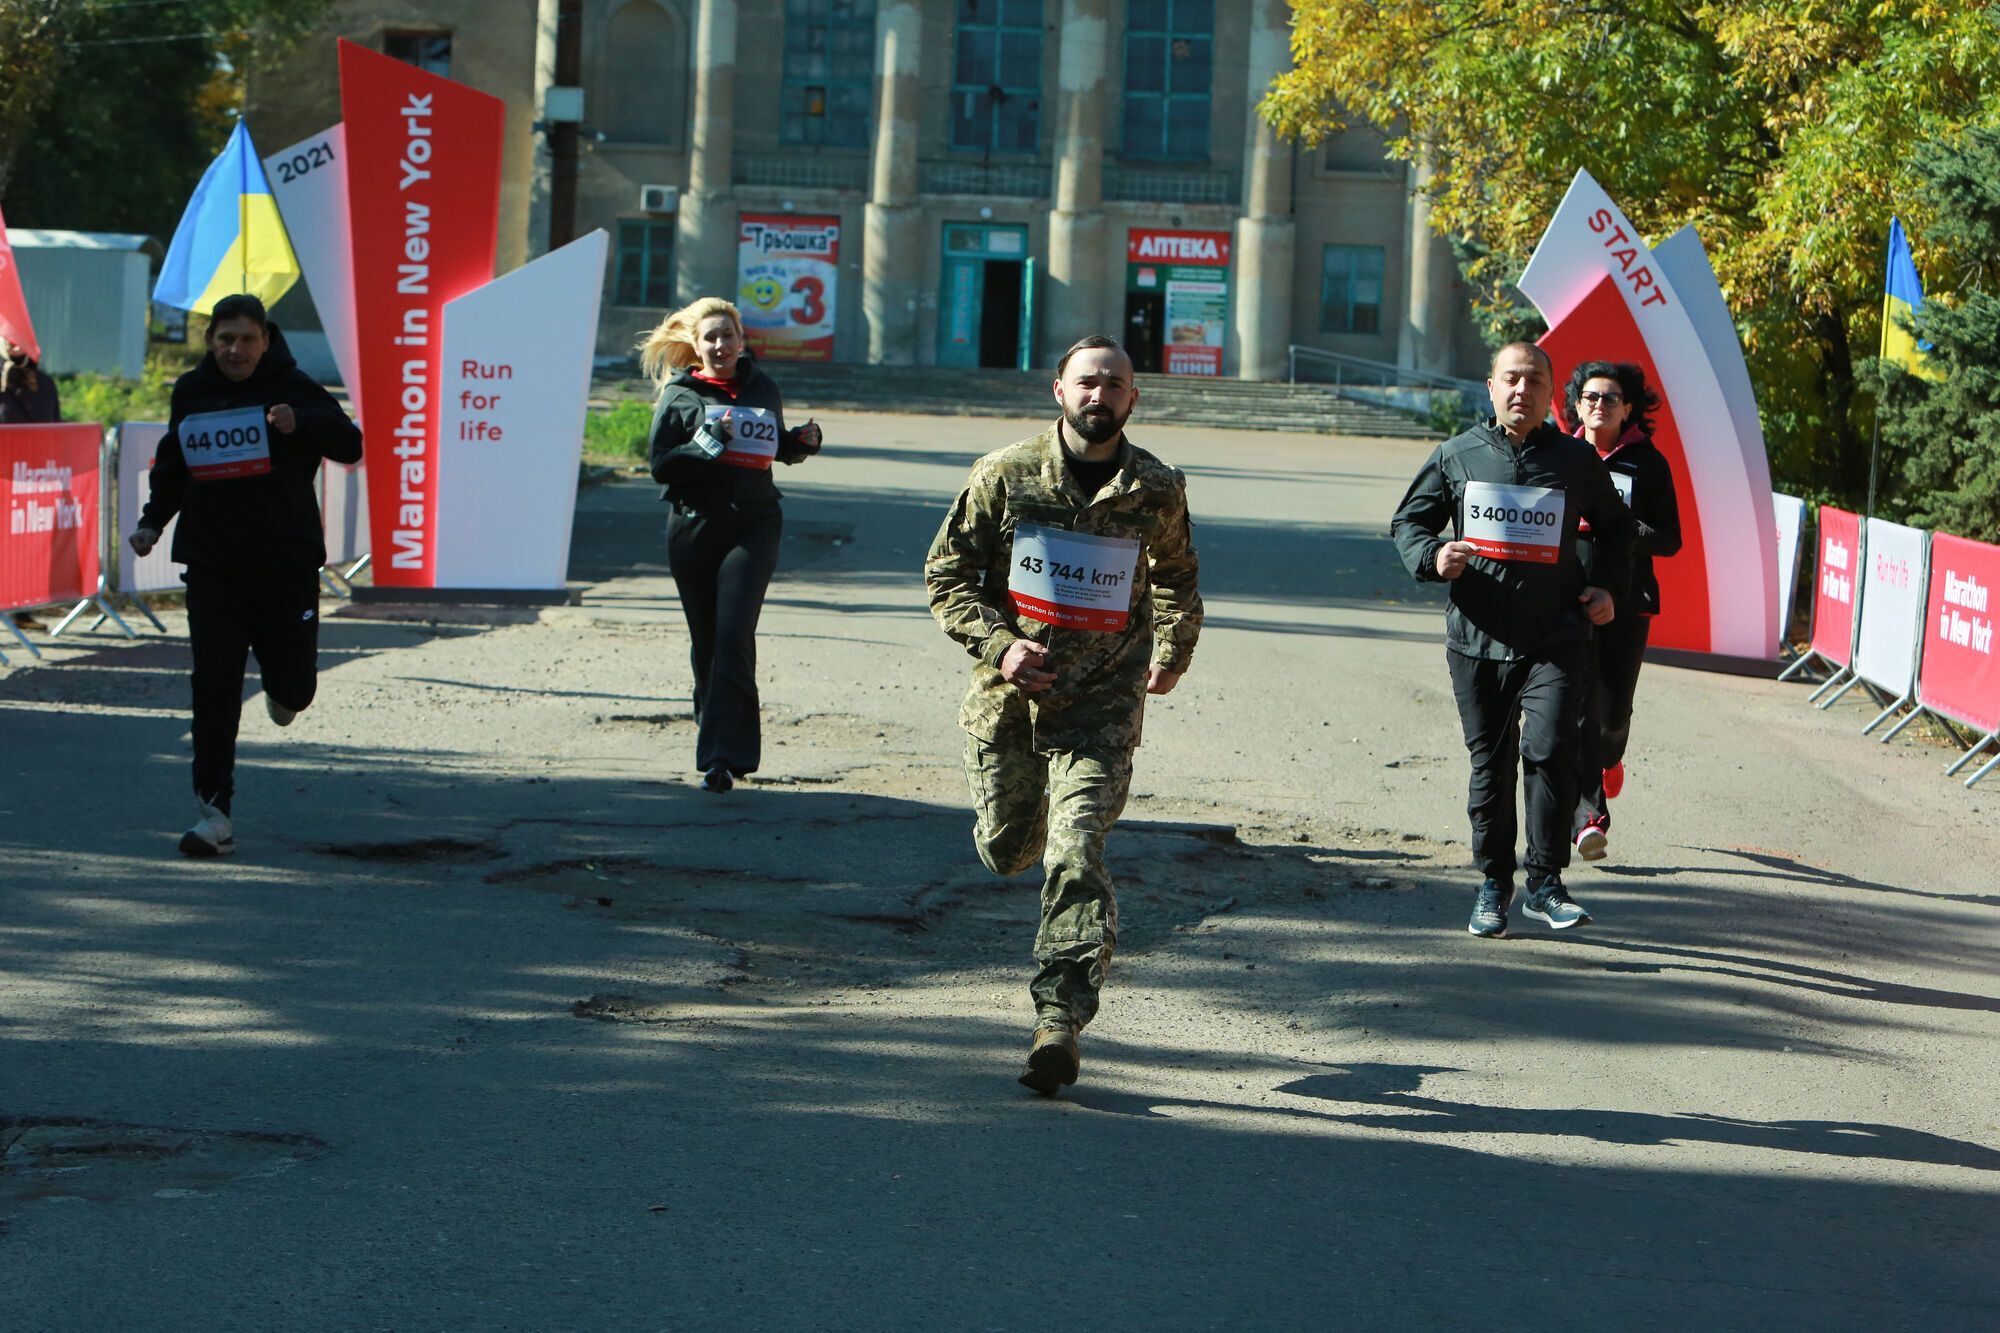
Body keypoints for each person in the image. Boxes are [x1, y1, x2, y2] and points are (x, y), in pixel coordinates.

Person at [925, 334, 1202, 1096]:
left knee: (1077, 849)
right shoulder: (1005, 476)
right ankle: (1024, 832)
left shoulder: (1155, 486)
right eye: (1087, 381)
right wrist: (1002, 644)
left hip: (1102, 707)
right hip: (1010, 703)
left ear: (1132, 398)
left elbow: (1178, 576)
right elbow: (946, 575)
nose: (1099, 395)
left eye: (1114, 384)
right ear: (1059, 390)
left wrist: (1174, 649)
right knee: (1010, 850)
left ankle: (1059, 1021)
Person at [1390, 342, 1634, 938]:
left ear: (1553, 395)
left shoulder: (1576, 461)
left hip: (1555, 636)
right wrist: (1432, 554)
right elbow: (1409, 522)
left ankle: (1545, 882)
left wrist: (1606, 588)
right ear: (1491, 386)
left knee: (1550, 750)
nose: (1521, 390)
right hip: (1477, 638)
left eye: (1534, 381)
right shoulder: (1457, 455)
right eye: (1510, 380)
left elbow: (1616, 528)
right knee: (1491, 767)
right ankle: (1495, 883)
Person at [129, 295, 363, 856]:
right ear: (211, 341)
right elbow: (174, 462)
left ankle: (286, 692)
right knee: (214, 687)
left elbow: (349, 443)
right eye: (225, 339)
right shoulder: (193, 391)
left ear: (265, 340)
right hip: (214, 566)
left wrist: (298, 422)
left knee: (293, 688)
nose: (235, 349)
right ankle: (215, 814)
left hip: (284, 566)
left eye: (247, 339)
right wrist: (152, 523)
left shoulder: (295, 385)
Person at [641, 297, 821, 792]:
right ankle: (715, 729)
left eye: (729, 335)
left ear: (743, 340)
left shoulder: (763, 386)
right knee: (707, 641)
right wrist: (705, 443)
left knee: (733, 633)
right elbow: (662, 465)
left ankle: (723, 757)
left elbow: (774, 447)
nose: (721, 345)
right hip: (695, 526)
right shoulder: (681, 395)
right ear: (696, 347)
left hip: (755, 524)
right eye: (711, 338)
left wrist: (800, 442)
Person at [1565, 361, 1681, 862]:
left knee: (1612, 714)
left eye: (1610, 399)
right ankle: (1589, 818)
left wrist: (1614, 526)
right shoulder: (1560, 456)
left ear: (1627, 408)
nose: (1599, 406)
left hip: (1629, 602)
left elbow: (1670, 540)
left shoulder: (1648, 464)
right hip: (1567, 598)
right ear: (1577, 404)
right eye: (1591, 397)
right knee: (1578, 709)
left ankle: (1612, 760)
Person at [3, 334, 64, 631]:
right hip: (3, 479)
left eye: (20, 336)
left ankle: (21, 610)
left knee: (25, 548)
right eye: (8, 337)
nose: (14, 343)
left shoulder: (44, 383)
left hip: (31, 482)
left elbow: (55, 426)